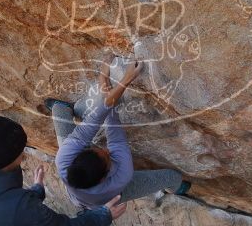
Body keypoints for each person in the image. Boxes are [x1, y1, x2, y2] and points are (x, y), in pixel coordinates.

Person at [49, 60, 190, 210]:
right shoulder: (122, 176)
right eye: (107, 157)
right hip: (111, 196)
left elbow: (93, 121)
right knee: (171, 177)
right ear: (105, 176)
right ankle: (178, 187)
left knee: (59, 110)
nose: (106, 150)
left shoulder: (63, 160)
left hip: (80, 193)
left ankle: (62, 108)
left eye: (99, 151)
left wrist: (103, 80)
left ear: (77, 157)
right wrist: (126, 79)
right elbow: (114, 131)